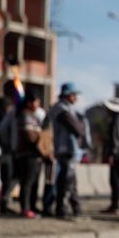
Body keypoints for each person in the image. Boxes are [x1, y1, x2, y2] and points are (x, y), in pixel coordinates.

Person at [49, 82, 84, 219]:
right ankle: (61, 209)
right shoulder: (62, 110)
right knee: (66, 181)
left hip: (66, 150)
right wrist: (81, 128)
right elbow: (76, 129)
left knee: (71, 181)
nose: (75, 98)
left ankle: (76, 208)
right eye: (74, 95)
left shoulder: (64, 108)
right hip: (65, 149)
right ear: (68, 95)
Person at [15, 91, 45, 219]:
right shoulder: (25, 115)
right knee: (27, 182)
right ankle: (25, 208)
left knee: (33, 182)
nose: (38, 104)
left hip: (33, 154)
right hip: (28, 154)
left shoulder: (32, 115)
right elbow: (30, 136)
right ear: (29, 102)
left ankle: (31, 207)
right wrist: (41, 139)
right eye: (36, 101)